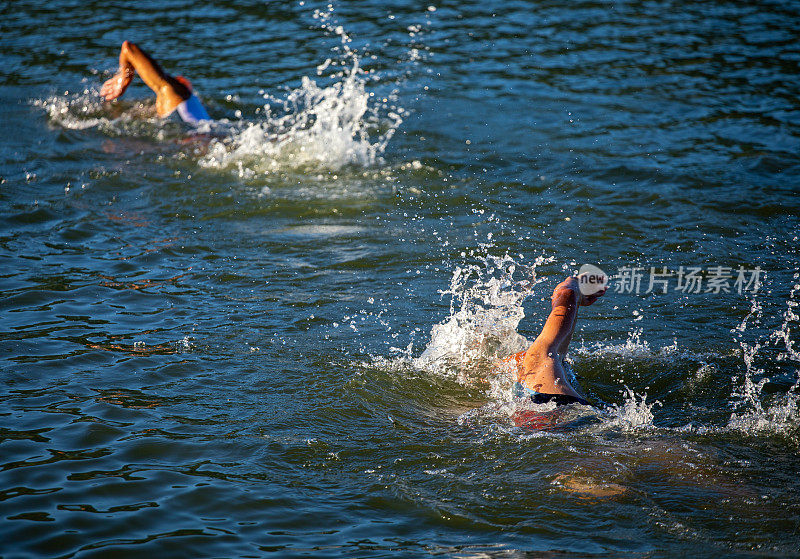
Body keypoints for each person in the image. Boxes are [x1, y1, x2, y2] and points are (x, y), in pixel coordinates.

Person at [502, 275, 606, 408]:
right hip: (568, 410)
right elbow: (567, 294)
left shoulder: (534, 363)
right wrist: (573, 284)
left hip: (550, 410)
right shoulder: (539, 361)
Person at [100, 41, 210, 124]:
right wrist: (124, 78)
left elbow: (128, 48)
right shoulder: (176, 91)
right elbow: (128, 48)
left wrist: (125, 76)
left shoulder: (172, 94)